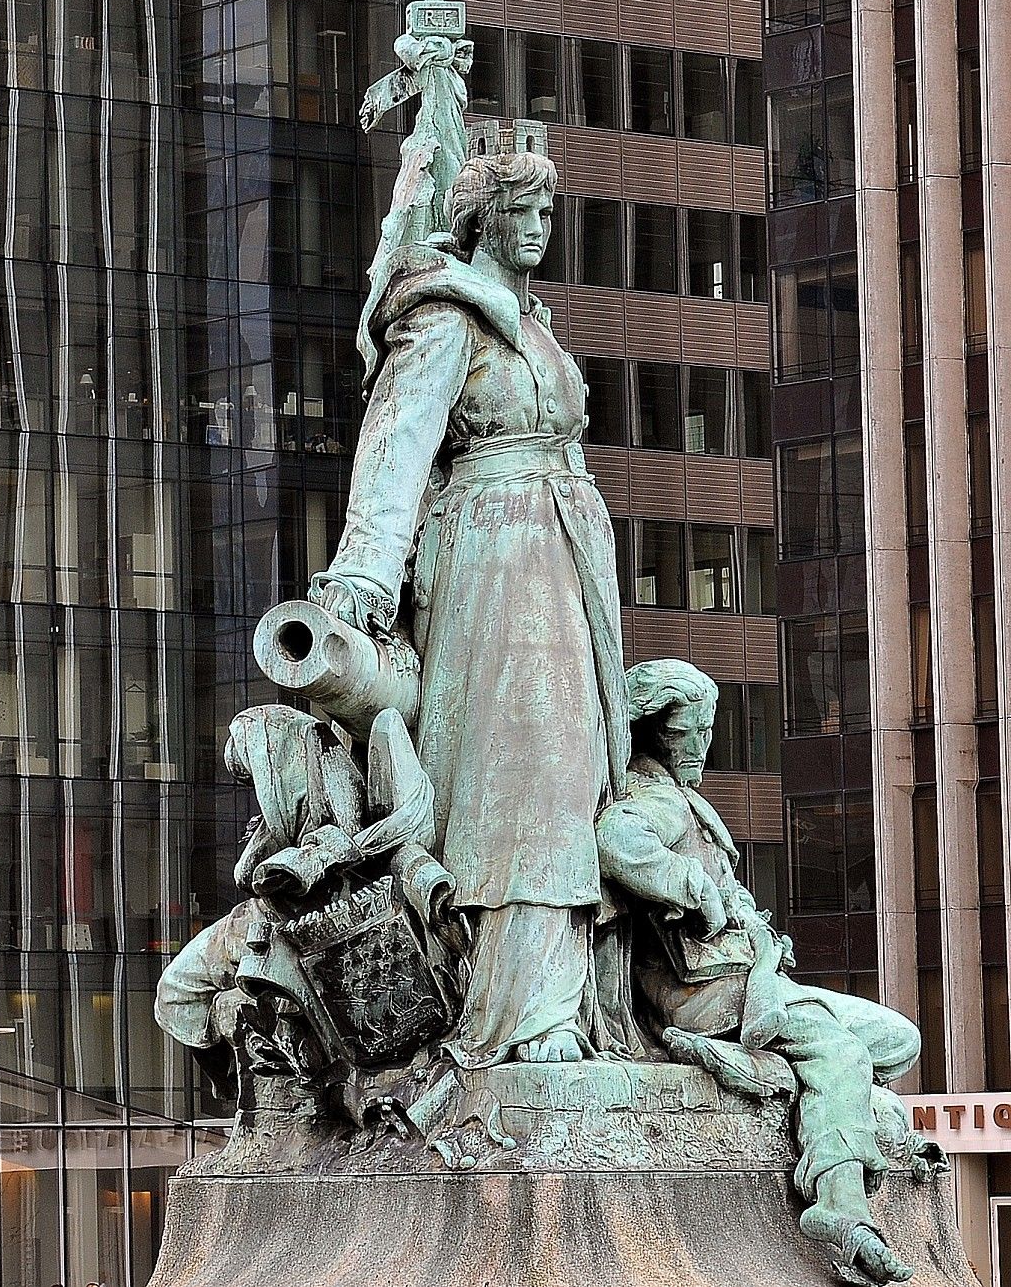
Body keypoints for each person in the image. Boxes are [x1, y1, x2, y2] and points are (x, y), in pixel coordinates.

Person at [311, 148, 626, 1066]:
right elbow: (397, 444)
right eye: (522, 211)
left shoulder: (537, 329)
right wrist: (364, 577)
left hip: (564, 556)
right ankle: (523, 1009)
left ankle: (571, 997)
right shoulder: (447, 315)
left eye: (547, 214)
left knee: (575, 771)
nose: (537, 229)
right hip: (493, 559)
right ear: (482, 220)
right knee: (521, 775)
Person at [599, 659, 925, 1287]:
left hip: (756, 980)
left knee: (897, 1040)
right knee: (841, 1052)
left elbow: (722, 886)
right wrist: (697, 892)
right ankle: (842, 1207)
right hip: (711, 993)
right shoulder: (652, 798)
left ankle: (823, 1099)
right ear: (655, 732)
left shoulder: (687, 802)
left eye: (707, 729)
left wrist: (748, 916)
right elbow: (616, 841)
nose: (704, 744)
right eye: (691, 731)